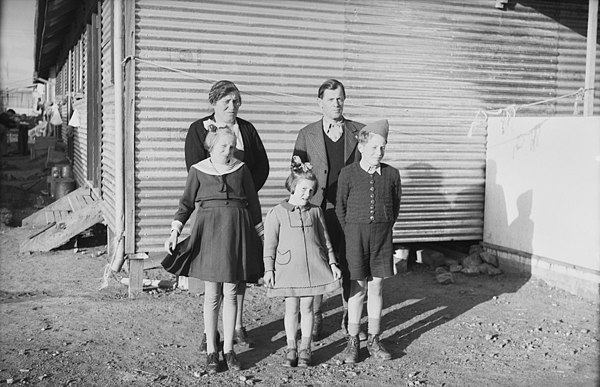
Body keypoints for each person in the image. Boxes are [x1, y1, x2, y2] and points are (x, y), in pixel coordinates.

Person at [164, 127, 263, 373]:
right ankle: (211, 350)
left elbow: (253, 203)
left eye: (232, 147)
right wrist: (175, 231)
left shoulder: (241, 169)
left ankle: (229, 350)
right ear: (211, 147)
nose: (228, 152)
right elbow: (186, 204)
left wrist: (262, 235)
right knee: (212, 294)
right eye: (223, 147)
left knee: (231, 291)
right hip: (209, 231)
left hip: (236, 231)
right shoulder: (198, 170)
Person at [184, 80, 269, 348]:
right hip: (209, 209)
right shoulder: (199, 130)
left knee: (237, 270)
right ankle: (209, 333)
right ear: (213, 104)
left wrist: (243, 191)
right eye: (226, 102)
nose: (233, 107)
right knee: (211, 272)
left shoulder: (246, 129)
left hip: (239, 209)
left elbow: (262, 166)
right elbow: (194, 168)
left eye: (236, 101)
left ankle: (237, 326)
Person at [292, 79, 365, 340]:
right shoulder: (306, 134)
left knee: (350, 261)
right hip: (318, 208)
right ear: (320, 102)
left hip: (349, 210)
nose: (337, 103)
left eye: (341, 98)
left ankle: (350, 315)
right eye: (331, 99)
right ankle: (315, 316)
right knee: (317, 261)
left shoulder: (360, 131)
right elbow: (296, 173)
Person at [263, 156, 342, 368]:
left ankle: (305, 348)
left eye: (311, 191)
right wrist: (268, 269)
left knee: (308, 307)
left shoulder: (315, 212)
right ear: (292, 186)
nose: (307, 195)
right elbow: (269, 244)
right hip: (288, 270)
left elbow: (325, 240)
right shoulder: (277, 213)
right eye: (303, 189)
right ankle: (291, 347)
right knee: (291, 309)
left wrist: (333, 263)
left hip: (313, 268)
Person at [335, 119, 401, 364]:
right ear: (361, 147)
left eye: (382, 148)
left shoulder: (392, 174)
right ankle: (353, 340)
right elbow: (340, 208)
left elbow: (394, 207)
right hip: (355, 237)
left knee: (377, 287)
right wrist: (351, 232)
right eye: (374, 147)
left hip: (382, 238)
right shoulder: (348, 174)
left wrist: (382, 228)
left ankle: (374, 338)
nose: (379, 152)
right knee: (357, 288)